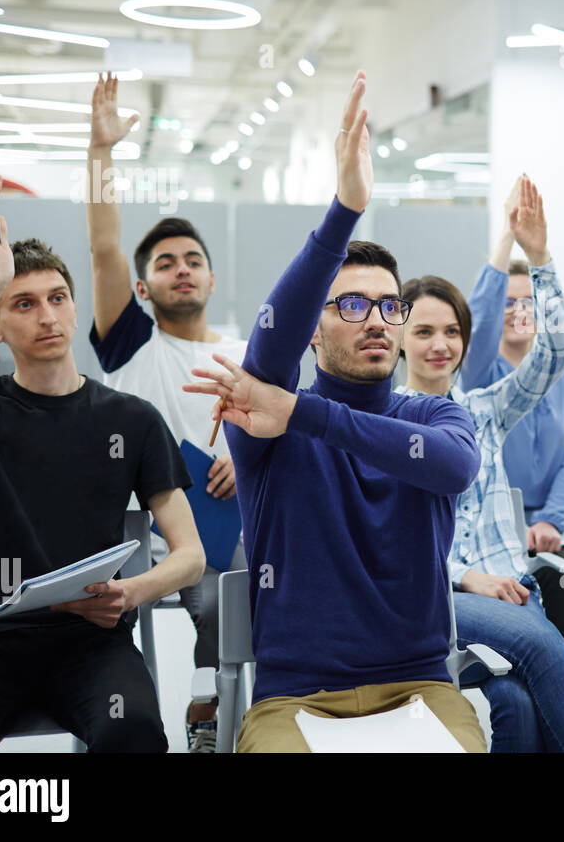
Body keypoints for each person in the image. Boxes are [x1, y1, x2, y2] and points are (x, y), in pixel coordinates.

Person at [183, 72, 487, 752]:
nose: (375, 320)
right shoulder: (266, 426)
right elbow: (268, 345)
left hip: (420, 687)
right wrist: (344, 210)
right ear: (314, 331)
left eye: (388, 306)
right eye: (350, 305)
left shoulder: (436, 420)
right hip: (295, 698)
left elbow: (453, 469)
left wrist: (305, 414)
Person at [0, 184, 204, 752]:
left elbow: (190, 555)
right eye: (23, 303)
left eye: (57, 298)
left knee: (137, 734)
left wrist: (134, 591)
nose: (47, 315)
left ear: (75, 309)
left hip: (89, 644)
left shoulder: (133, 419)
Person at [397, 175, 564, 752]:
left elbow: (556, 353)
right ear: (397, 341)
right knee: (545, 648)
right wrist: (466, 576)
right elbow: (389, 547)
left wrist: (539, 257)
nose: (440, 344)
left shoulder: (484, 409)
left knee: (516, 703)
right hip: (441, 601)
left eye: (451, 332)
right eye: (423, 332)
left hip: (513, 594)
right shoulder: (384, 430)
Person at [84, 72, 248, 751]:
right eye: (165, 263)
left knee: (258, 592)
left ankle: (256, 711)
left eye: (193, 260)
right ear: (144, 286)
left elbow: (283, 435)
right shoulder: (133, 345)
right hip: (155, 534)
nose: (181, 269)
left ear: (211, 278)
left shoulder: (245, 353)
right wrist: (101, 155)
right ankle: (201, 715)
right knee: (210, 600)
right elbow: (102, 247)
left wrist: (246, 452)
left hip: (236, 530)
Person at [458, 178, 564, 652]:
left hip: (547, 526)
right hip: (491, 529)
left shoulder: (563, 378)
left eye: (526, 301)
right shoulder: (477, 377)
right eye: (508, 302)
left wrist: (551, 519)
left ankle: (561, 677)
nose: (517, 311)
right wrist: (508, 239)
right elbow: (479, 317)